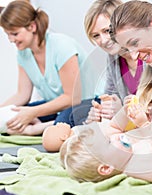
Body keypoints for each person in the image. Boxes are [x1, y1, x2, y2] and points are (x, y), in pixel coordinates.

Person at [66, 0, 152, 127]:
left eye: (107, 31)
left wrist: (121, 111)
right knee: (73, 115)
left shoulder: (151, 54)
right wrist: (100, 112)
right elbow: (110, 96)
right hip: (133, 122)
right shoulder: (113, 58)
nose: (103, 40)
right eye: (96, 36)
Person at [0, 0, 90, 134]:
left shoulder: (62, 47)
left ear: (32, 26)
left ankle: (36, 129)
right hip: (56, 105)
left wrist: (33, 113)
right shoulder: (23, 53)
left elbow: (72, 98)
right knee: (13, 116)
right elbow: (22, 95)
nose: (11, 40)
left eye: (15, 34)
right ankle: (45, 126)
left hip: (84, 103)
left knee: (63, 123)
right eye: (8, 35)